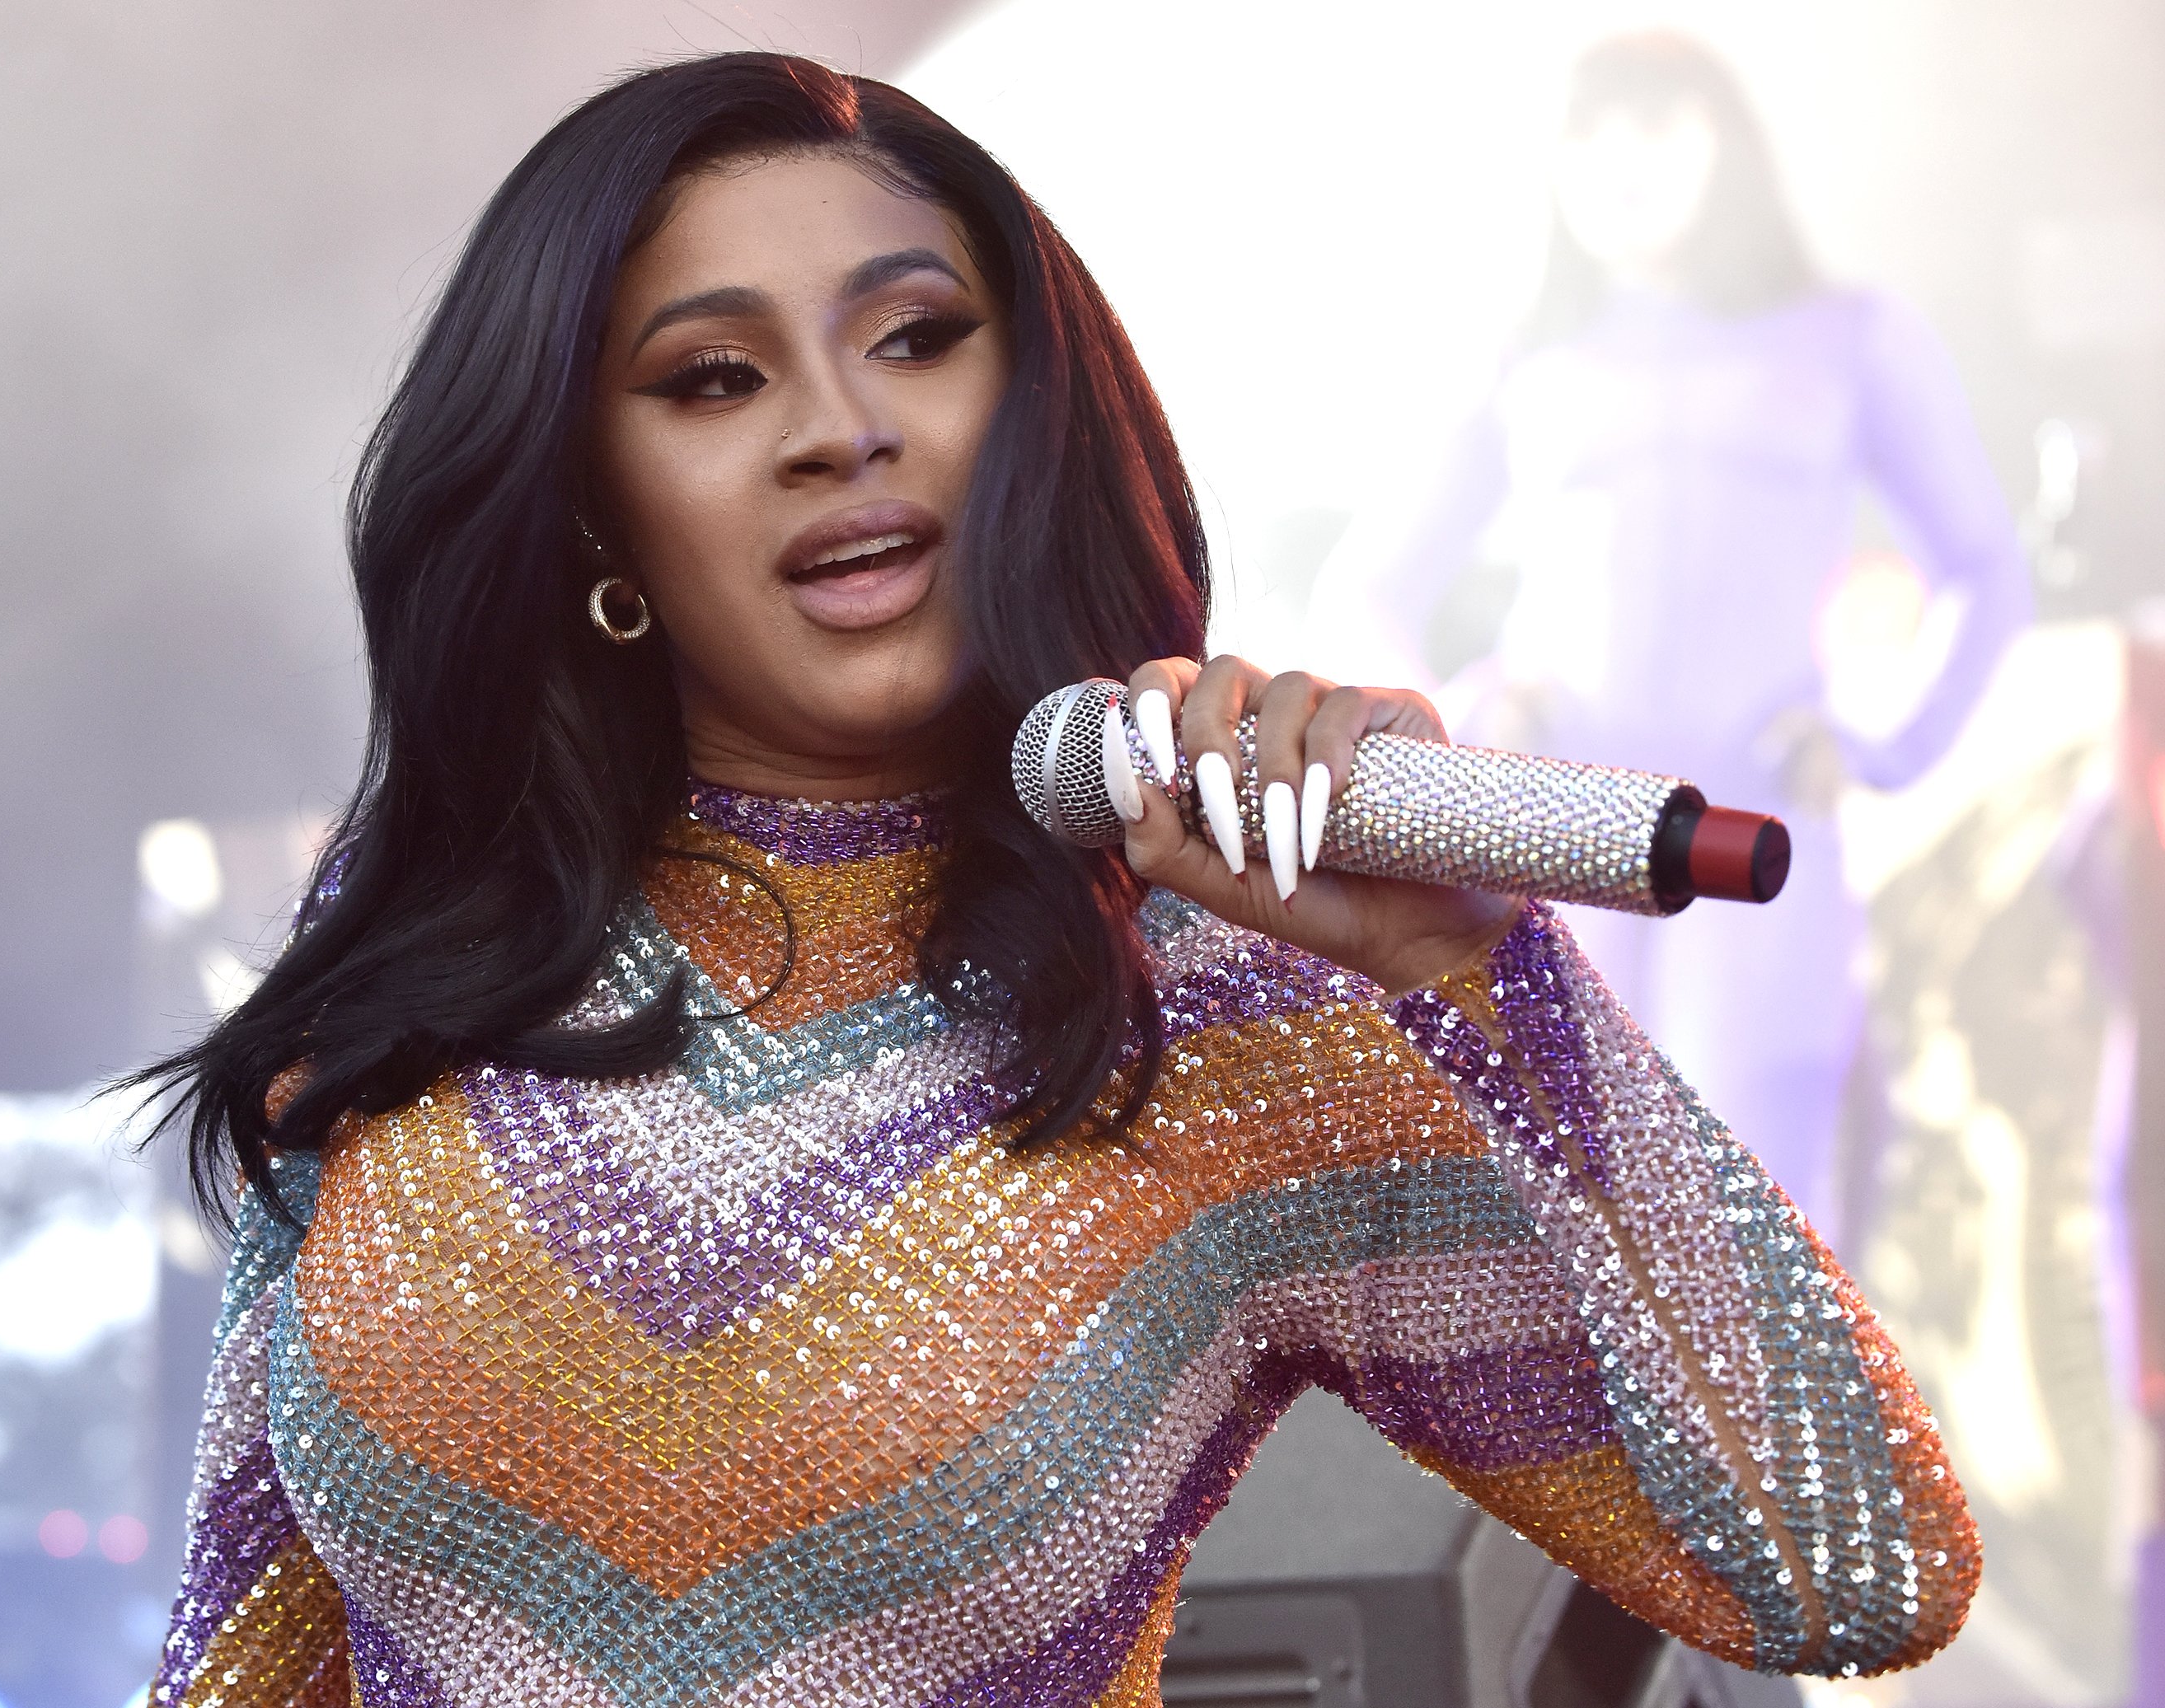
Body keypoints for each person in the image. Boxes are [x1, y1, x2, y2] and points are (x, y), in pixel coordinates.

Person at [138, 53, 1975, 1708]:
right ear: (592, 500)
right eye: (713, 375)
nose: (841, 424)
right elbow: (242, 1663)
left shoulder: (1213, 1001)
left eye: (917, 336)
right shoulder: (432, 949)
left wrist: (1493, 984)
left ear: (1029, 405)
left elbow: (1857, 1566)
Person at [1314, 32, 2031, 1240]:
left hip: (1757, 829)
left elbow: (1985, 566)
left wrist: (1878, 736)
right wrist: (1455, 730)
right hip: (1560, 836)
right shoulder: (1523, 357)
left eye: (1653, 126)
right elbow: (1368, 581)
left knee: (1767, 1218)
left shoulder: (1854, 336)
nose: (1619, 162)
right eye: (1588, 135)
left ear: (1724, 144)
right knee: (1567, 1223)